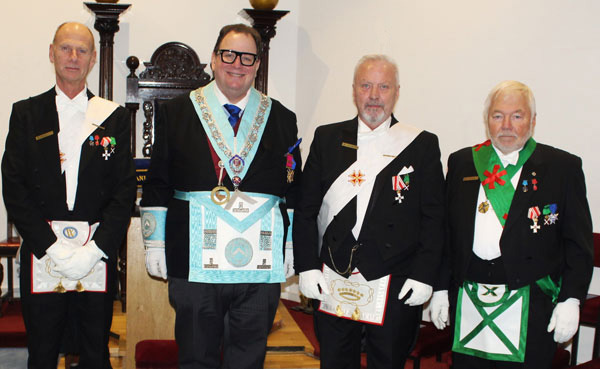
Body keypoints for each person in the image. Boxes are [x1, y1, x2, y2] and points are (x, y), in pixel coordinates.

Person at [140, 24, 302, 369]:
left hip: (258, 264)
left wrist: (291, 245)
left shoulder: (283, 118)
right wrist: (155, 242)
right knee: (197, 355)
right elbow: (157, 183)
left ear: (257, 65)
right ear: (214, 59)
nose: (237, 64)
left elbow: (292, 190)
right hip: (193, 259)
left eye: (247, 57)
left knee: (248, 355)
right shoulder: (177, 112)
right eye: (229, 54)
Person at [293, 55, 445, 369]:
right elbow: (306, 209)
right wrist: (306, 266)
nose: (374, 95)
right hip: (335, 275)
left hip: (394, 280)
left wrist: (424, 275)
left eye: (383, 86)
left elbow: (434, 218)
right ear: (354, 91)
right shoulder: (327, 138)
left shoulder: (421, 145)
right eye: (366, 85)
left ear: (396, 92)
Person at [430, 80, 593, 368]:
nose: (506, 125)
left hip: (531, 303)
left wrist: (571, 299)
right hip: (469, 300)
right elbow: (446, 234)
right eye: (497, 115)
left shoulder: (562, 168)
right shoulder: (463, 163)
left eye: (516, 116)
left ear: (532, 120)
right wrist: (440, 288)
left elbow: (578, 243)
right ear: (487, 120)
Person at [1, 22, 136, 368]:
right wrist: (51, 246)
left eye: (82, 50)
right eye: (65, 48)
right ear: (51, 52)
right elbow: (13, 186)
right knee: (43, 354)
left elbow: (124, 191)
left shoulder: (114, 117)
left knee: (95, 353)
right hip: (43, 255)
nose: (73, 57)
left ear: (92, 60)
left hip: (95, 256)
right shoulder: (26, 113)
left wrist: (96, 249)